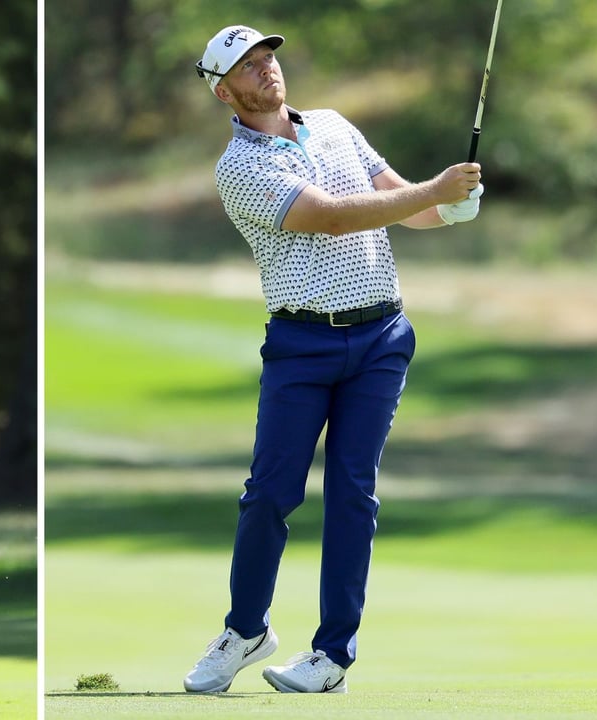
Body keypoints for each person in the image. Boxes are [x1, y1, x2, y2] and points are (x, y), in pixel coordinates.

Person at [182, 25, 483, 695]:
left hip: (381, 339)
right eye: (249, 67)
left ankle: (332, 657)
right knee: (269, 493)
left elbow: (399, 201)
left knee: (353, 492)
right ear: (223, 91)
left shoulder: (336, 127)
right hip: (302, 344)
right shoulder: (241, 166)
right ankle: (246, 629)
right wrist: (433, 190)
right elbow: (333, 217)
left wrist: (451, 207)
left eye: (268, 59)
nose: (267, 71)